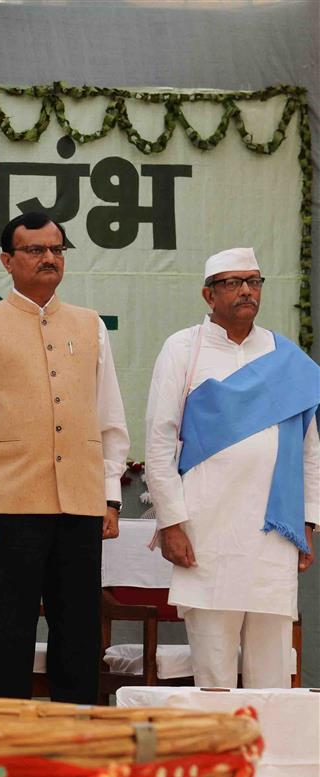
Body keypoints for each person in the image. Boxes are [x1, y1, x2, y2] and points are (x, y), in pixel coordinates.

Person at [0, 211, 129, 704]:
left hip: (81, 502)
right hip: (9, 503)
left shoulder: (91, 326)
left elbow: (109, 417)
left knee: (79, 631)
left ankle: (79, 739)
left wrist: (110, 497)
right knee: (12, 630)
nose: (49, 258)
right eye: (35, 250)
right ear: (7, 261)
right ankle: (11, 744)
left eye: (57, 249)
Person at [144, 247, 318, 688]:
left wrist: (309, 520)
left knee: (273, 676)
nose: (246, 291)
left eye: (254, 282)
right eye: (232, 283)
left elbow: (309, 449)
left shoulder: (287, 357)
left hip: (274, 531)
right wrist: (172, 522)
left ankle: (270, 756)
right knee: (214, 675)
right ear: (209, 294)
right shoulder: (183, 349)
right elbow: (160, 439)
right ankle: (219, 758)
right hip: (205, 531)